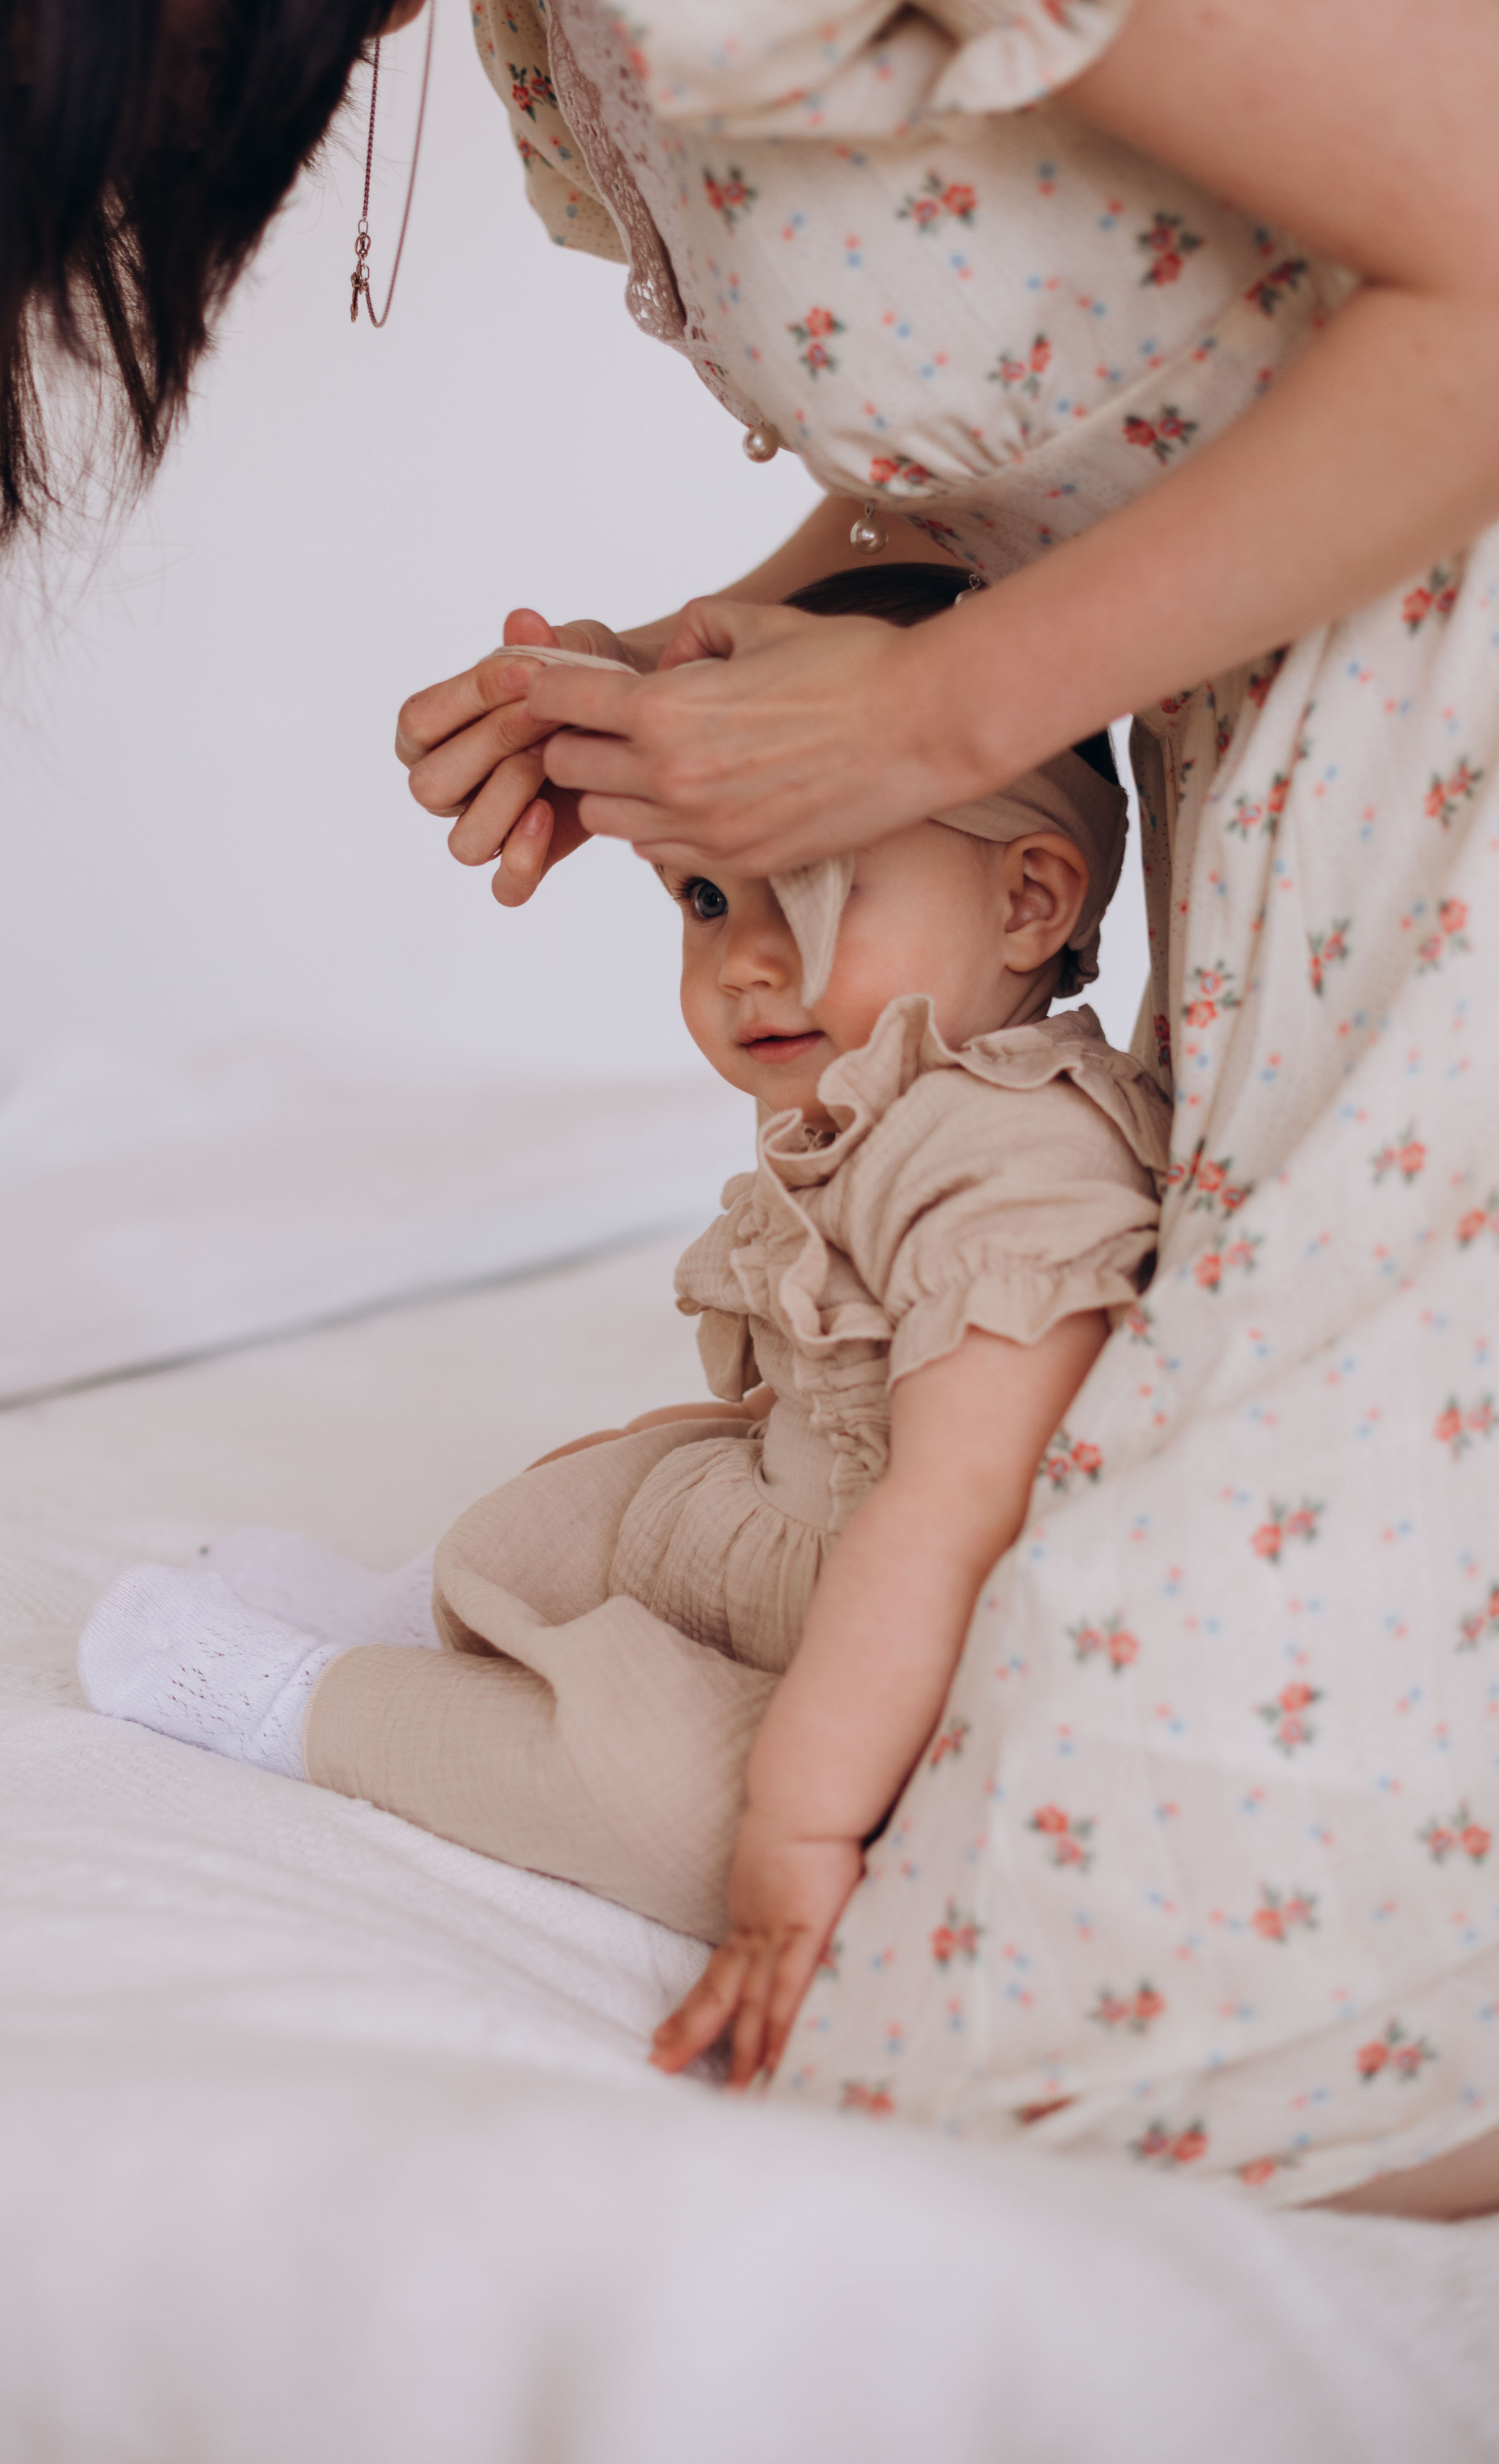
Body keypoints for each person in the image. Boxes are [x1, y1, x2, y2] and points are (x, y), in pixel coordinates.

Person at [0, 0, 1498, 2211]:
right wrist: (721, 682)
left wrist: (923, 720)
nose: (49, 70)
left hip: (1444, 776)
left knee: (1064, 1993)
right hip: (1320, 796)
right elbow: (1112, 401)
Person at [79, 561, 1170, 2098]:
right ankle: (414, 1609)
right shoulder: (893, 1096)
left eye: (814, 880)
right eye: (705, 899)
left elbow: (947, 1515)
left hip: (896, 1632)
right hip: (793, 1528)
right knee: (578, 1501)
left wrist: (800, 1830)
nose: (744, 960)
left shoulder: (1013, 1163)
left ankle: (293, 1702)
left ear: (1030, 899)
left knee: (665, 1800)